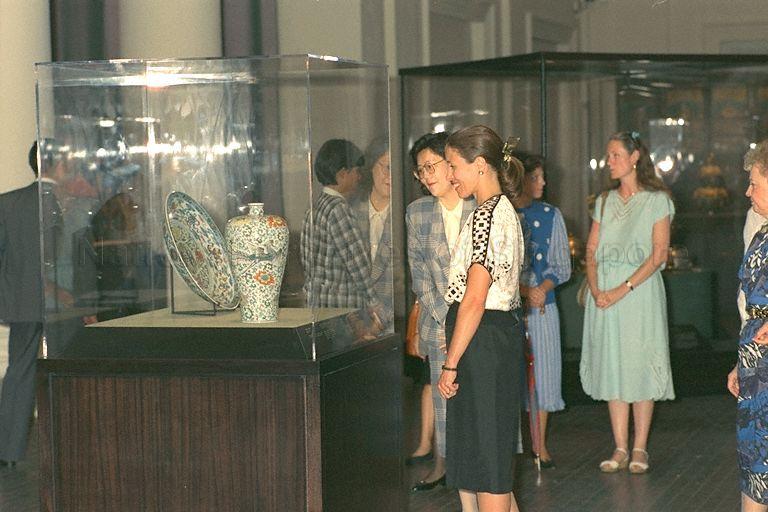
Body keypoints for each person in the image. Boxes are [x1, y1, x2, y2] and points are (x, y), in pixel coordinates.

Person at [437, 125, 525, 512]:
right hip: (488, 341)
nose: (450, 175)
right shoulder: (494, 212)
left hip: (484, 343)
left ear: (480, 165)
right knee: (485, 458)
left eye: (453, 165)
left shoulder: (488, 216)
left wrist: (450, 363)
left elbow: (474, 298)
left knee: (488, 464)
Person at [580, 131, 674, 475]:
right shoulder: (604, 201)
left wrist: (621, 289)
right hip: (605, 294)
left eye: (616, 155)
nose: (610, 161)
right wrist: (595, 289)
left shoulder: (657, 200)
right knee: (614, 366)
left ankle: (639, 447)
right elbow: (591, 249)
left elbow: (658, 254)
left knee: (640, 364)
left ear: (635, 158)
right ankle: (620, 446)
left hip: (639, 292)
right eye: (608, 155)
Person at [405, 132, 475, 496]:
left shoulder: (480, 206)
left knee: (475, 399)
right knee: (442, 398)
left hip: (478, 321)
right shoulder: (417, 213)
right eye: (421, 170)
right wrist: (446, 319)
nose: (427, 176)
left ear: (451, 164)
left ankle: (475, 467)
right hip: (437, 320)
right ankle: (442, 462)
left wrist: (463, 321)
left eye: (431, 166)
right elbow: (419, 275)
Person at [0, 142, 60, 466]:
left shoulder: (8, 203)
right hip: (66, 304)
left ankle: (7, 450)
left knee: (19, 371)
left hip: (23, 303)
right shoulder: (68, 203)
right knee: (67, 372)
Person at [513, 151, 571, 468]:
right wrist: (524, 292)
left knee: (546, 373)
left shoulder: (551, 215)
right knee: (514, 377)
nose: (543, 183)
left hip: (544, 306)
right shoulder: (504, 213)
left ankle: (539, 443)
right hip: (511, 307)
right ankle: (515, 444)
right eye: (535, 177)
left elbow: (562, 266)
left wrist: (541, 290)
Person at [300, 139, 383, 326]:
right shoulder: (339, 209)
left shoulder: (314, 208)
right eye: (356, 172)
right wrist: (374, 302)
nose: (359, 178)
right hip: (342, 309)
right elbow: (357, 263)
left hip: (318, 305)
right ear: (342, 174)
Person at [727, 139, 768, 512]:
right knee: (754, 465)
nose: (747, 191)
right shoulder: (759, 232)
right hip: (756, 361)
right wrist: (740, 362)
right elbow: (748, 302)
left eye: (754, 183)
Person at [351, 137, 395, 327]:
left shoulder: (408, 214)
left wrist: (375, 328)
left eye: (396, 169)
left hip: (394, 322)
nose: (391, 176)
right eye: (387, 167)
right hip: (351, 324)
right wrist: (358, 327)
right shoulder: (350, 212)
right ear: (371, 166)